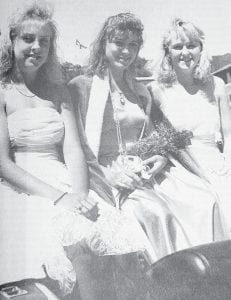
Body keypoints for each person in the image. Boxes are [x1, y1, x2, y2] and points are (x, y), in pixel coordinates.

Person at [0, 3, 157, 299]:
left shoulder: (58, 91)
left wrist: (82, 195)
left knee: (116, 231)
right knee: (75, 241)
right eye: (28, 39)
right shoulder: (3, 92)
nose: (36, 47)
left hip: (67, 180)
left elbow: (74, 149)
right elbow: (2, 163)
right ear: (12, 39)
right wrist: (61, 198)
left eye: (44, 41)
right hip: (22, 185)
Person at [68, 12, 228, 263]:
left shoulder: (140, 91)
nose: (126, 51)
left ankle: (208, 273)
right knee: (154, 212)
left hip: (145, 168)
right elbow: (78, 145)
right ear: (103, 45)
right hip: (107, 172)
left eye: (133, 45)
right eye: (119, 43)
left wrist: (160, 159)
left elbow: (154, 138)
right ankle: (168, 279)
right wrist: (107, 174)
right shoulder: (82, 86)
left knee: (203, 199)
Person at [149, 17, 231, 229]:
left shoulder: (218, 85)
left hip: (219, 163)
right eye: (178, 47)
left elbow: (228, 135)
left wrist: (228, 164)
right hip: (179, 167)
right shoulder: (155, 91)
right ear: (168, 52)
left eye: (191, 45)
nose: (185, 52)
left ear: (201, 48)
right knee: (208, 203)